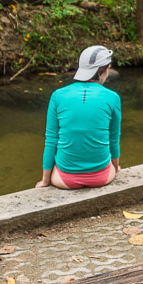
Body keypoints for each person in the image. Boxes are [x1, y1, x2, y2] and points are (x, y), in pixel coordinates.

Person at [35, 45, 122, 189]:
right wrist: (115, 167)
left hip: (63, 180)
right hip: (102, 177)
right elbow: (114, 137)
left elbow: (51, 139)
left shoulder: (57, 95)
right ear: (103, 69)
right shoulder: (112, 97)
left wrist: (45, 180)